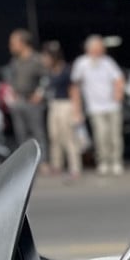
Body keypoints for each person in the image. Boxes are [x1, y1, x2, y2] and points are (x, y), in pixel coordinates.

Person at [72, 34, 125, 177]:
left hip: (112, 106)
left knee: (115, 136)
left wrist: (119, 93)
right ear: (90, 49)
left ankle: (116, 161)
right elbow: (75, 86)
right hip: (95, 107)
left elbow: (119, 78)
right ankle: (104, 161)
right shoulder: (81, 63)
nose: (101, 50)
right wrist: (77, 108)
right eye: (98, 48)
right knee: (101, 135)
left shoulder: (108, 62)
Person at [42, 42, 82, 181]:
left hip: (66, 104)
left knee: (68, 137)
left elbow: (74, 90)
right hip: (53, 104)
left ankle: (74, 167)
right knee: (54, 136)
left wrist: (77, 110)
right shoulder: (49, 72)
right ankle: (57, 165)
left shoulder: (66, 70)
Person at [6, 29, 48, 158]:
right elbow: (11, 79)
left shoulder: (37, 60)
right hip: (19, 101)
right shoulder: (15, 61)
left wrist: (39, 94)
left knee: (37, 133)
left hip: (32, 101)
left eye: (13, 43)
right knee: (21, 134)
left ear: (23, 43)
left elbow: (46, 78)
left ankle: (42, 161)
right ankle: (25, 162)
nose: (11, 46)